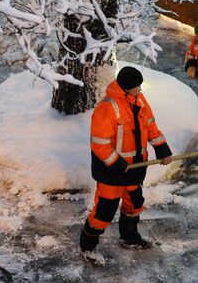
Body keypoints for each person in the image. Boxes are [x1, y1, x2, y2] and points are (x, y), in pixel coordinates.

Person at [79, 66, 173, 265]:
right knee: (105, 209)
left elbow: (150, 126)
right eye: (136, 86)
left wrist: (162, 147)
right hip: (112, 170)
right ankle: (87, 245)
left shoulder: (139, 100)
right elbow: (99, 143)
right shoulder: (107, 107)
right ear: (125, 87)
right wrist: (116, 163)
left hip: (136, 166)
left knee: (134, 202)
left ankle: (129, 236)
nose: (140, 89)